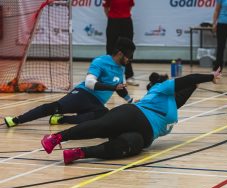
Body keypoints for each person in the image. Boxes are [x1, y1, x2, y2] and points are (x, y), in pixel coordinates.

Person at [40, 68, 222, 165]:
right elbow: (187, 80)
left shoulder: (172, 105)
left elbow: (184, 93)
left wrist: (197, 85)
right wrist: (209, 76)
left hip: (144, 137)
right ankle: (56, 138)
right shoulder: (162, 89)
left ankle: (78, 153)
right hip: (134, 115)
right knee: (100, 126)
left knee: (122, 148)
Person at [4, 37, 136, 127]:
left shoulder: (121, 68)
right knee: (53, 107)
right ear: (119, 53)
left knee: (103, 115)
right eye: (129, 56)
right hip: (82, 95)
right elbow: (90, 83)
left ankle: (62, 119)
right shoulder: (100, 62)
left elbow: (119, 89)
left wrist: (131, 101)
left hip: (96, 103)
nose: (130, 59)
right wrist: (112, 87)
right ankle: (16, 120)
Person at [103, 0, 139, 86]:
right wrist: (113, 18)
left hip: (126, 21)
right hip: (113, 21)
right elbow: (106, 8)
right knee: (111, 48)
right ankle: (110, 76)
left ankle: (129, 76)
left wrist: (122, 16)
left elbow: (129, 7)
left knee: (128, 47)